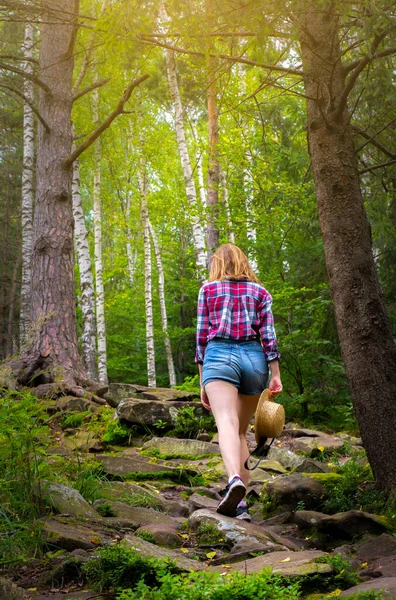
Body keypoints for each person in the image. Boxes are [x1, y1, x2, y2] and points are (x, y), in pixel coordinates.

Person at [195, 244, 282, 521]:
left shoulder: (207, 290)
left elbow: (201, 337)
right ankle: (241, 506)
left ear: (217, 263)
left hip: (218, 355)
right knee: (241, 430)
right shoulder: (260, 292)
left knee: (226, 425)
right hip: (254, 359)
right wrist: (275, 372)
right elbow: (268, 335)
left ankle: (233, 479)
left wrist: (202, 380)